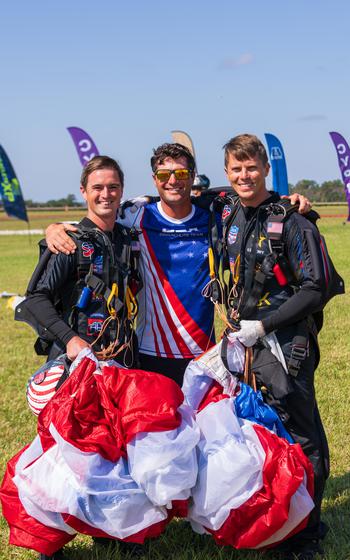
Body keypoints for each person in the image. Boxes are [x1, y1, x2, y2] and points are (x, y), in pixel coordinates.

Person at [45, 142, 310, 387]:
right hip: (150, 354)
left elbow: (254, 201)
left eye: (182, 174)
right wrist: (54, 229)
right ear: (154, 180)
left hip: (205, 354)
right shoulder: (134, 215)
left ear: (192, 177)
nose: (173, 181)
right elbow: (97, 217)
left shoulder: (215, 217)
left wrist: (286, 201)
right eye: (163, 175)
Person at [222, 133, 334, 560]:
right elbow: (187, 195)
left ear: (266, 168)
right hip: (245, 343)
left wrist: (264, 325)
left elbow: (317, 286)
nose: (244, 175)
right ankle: (272, 517)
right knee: (258, 430)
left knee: (301, 433)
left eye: (252, 167)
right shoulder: (230, 209)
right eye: (236, 169)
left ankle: (306, 533)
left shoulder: (292, 220)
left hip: (286, 343)